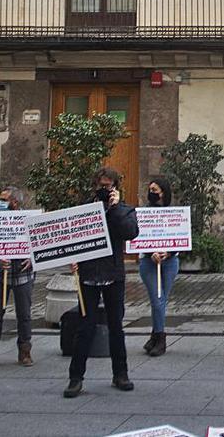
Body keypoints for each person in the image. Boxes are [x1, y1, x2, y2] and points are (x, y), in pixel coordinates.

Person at [64, 168, 140, 398]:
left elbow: (131, 232)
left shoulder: (124, 210)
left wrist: (114, 208)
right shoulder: (85, 210)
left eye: (109, 186)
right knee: (84, 328)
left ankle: (121, 374)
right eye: (101, 186)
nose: (104, 190)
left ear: (116, 188)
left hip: (113, 274)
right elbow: (71, 237)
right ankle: (75, 378)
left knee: (116, 326)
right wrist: (72, 258)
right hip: (88, 274)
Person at [0, 186, 35, 369]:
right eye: (0, 200)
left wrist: (32, 258)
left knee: (24, 315)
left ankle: (25, 351)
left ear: (15, 202)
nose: (0, 203)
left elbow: (38, 243)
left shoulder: (28, 220)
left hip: (23, 275)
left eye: (4, 200)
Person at [140, 178, 180, 357]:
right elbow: (138, 237)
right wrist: (151, 253)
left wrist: (169, 252)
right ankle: (160, 337)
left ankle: (155, 336)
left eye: (155, 189)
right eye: (150, 189)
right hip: (149, 262)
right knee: (157, 298)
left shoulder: (174, 213)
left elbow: (182, 238)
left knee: (161, 299)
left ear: (163, 192)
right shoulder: (144, 213)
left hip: (170, 262)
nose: (152, 192)